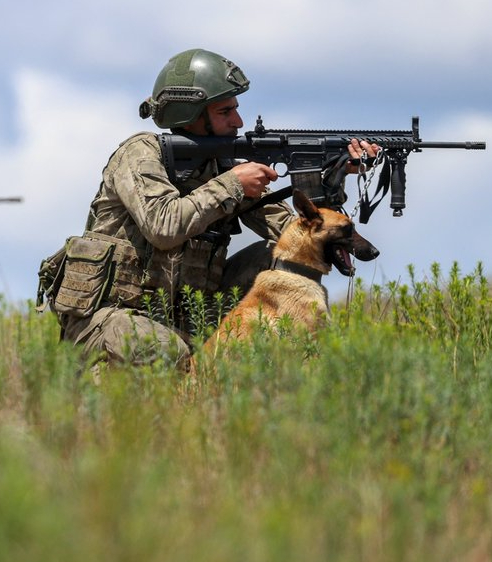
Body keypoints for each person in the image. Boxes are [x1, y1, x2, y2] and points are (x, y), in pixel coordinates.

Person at [38, 48, 378, 367]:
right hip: (109, 320)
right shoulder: (141, 153)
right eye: (225, 111)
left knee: (272, 253)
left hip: (184, 322)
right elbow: (163, 227)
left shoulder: (221, 166)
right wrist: (232, 184)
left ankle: (301, 355)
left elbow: (300, 238)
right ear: (191, 115)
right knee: (168, 351)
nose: (239, 122)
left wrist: (334, 177)